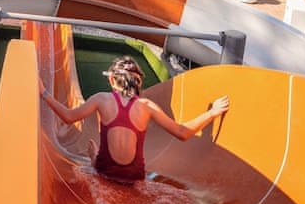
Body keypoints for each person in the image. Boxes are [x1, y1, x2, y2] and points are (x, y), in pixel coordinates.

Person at [39, 56, 229, 184]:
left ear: (112, 80)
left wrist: (44, 92)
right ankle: (95, 156)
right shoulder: (147, 105)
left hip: (105, 171)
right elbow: (183, 133)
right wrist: (212, 113)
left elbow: (68, 117)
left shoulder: (101, 99)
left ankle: (93, 157)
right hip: (134, 177)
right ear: (138, 82)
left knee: (93, 153)